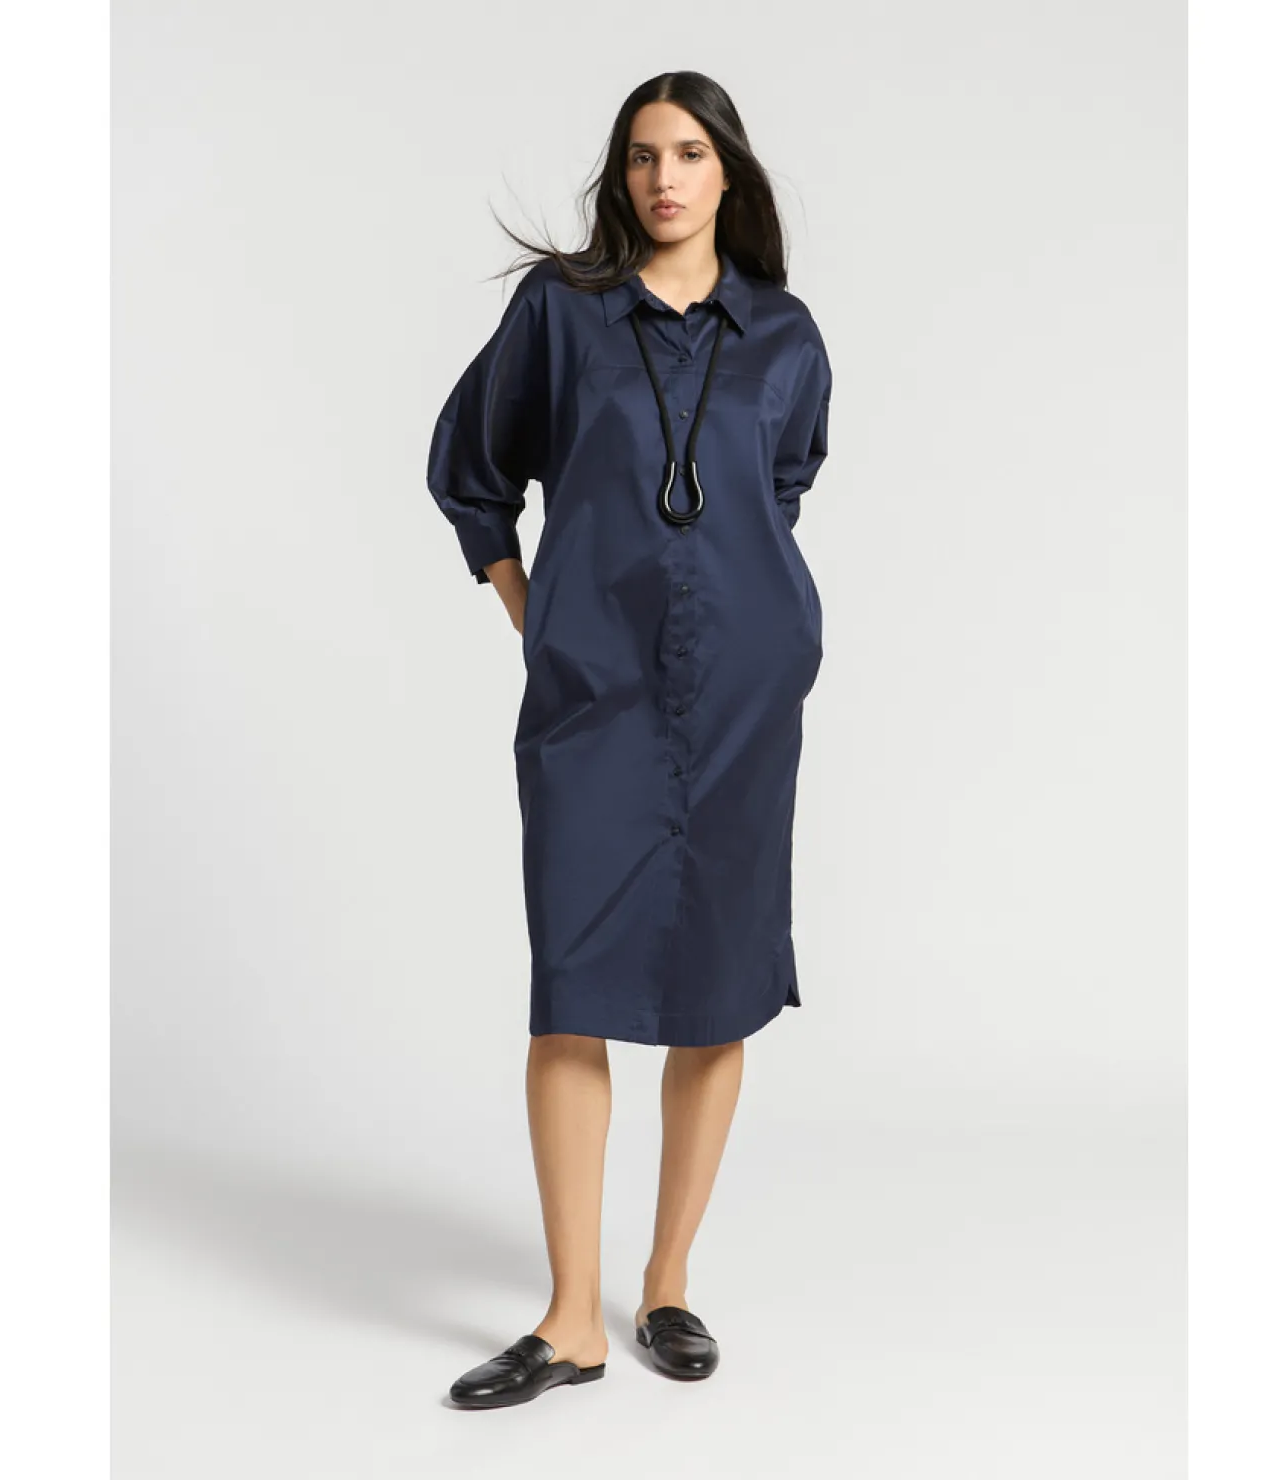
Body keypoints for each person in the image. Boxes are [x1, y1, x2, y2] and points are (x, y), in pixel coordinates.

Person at [426, 70, 833, 1409]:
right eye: (644, 156)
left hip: (743, 703)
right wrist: (537, 616)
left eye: (691, 153)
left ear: (729, 174)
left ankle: (664, 1284)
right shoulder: (563, 313)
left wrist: (746, 623)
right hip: (594, 702)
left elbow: (780, 487)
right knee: (574, 981)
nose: (666, 177)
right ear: (621, 178)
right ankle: (570, 1320)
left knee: (719, 982)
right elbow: (473, 468)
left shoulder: (785, 335)